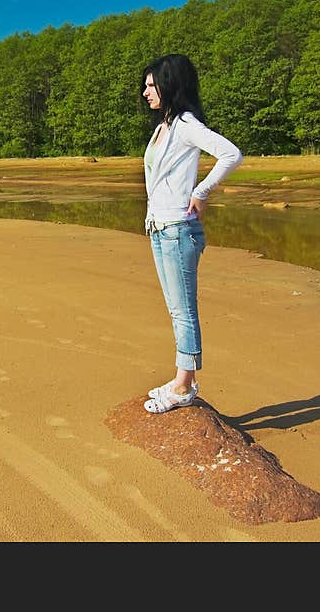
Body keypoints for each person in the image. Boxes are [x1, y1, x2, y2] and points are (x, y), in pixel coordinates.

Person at [140, 54, 243, 414]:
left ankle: (185, 385)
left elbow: (231, 154)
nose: (145, 92)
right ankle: (181, 377)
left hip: (178, 231)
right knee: (175, 309)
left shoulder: (185, 124)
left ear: (170, 86)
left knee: (184, 311)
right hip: (160, 227)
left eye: (152, 86)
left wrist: (200, 192)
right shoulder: (162, 126)